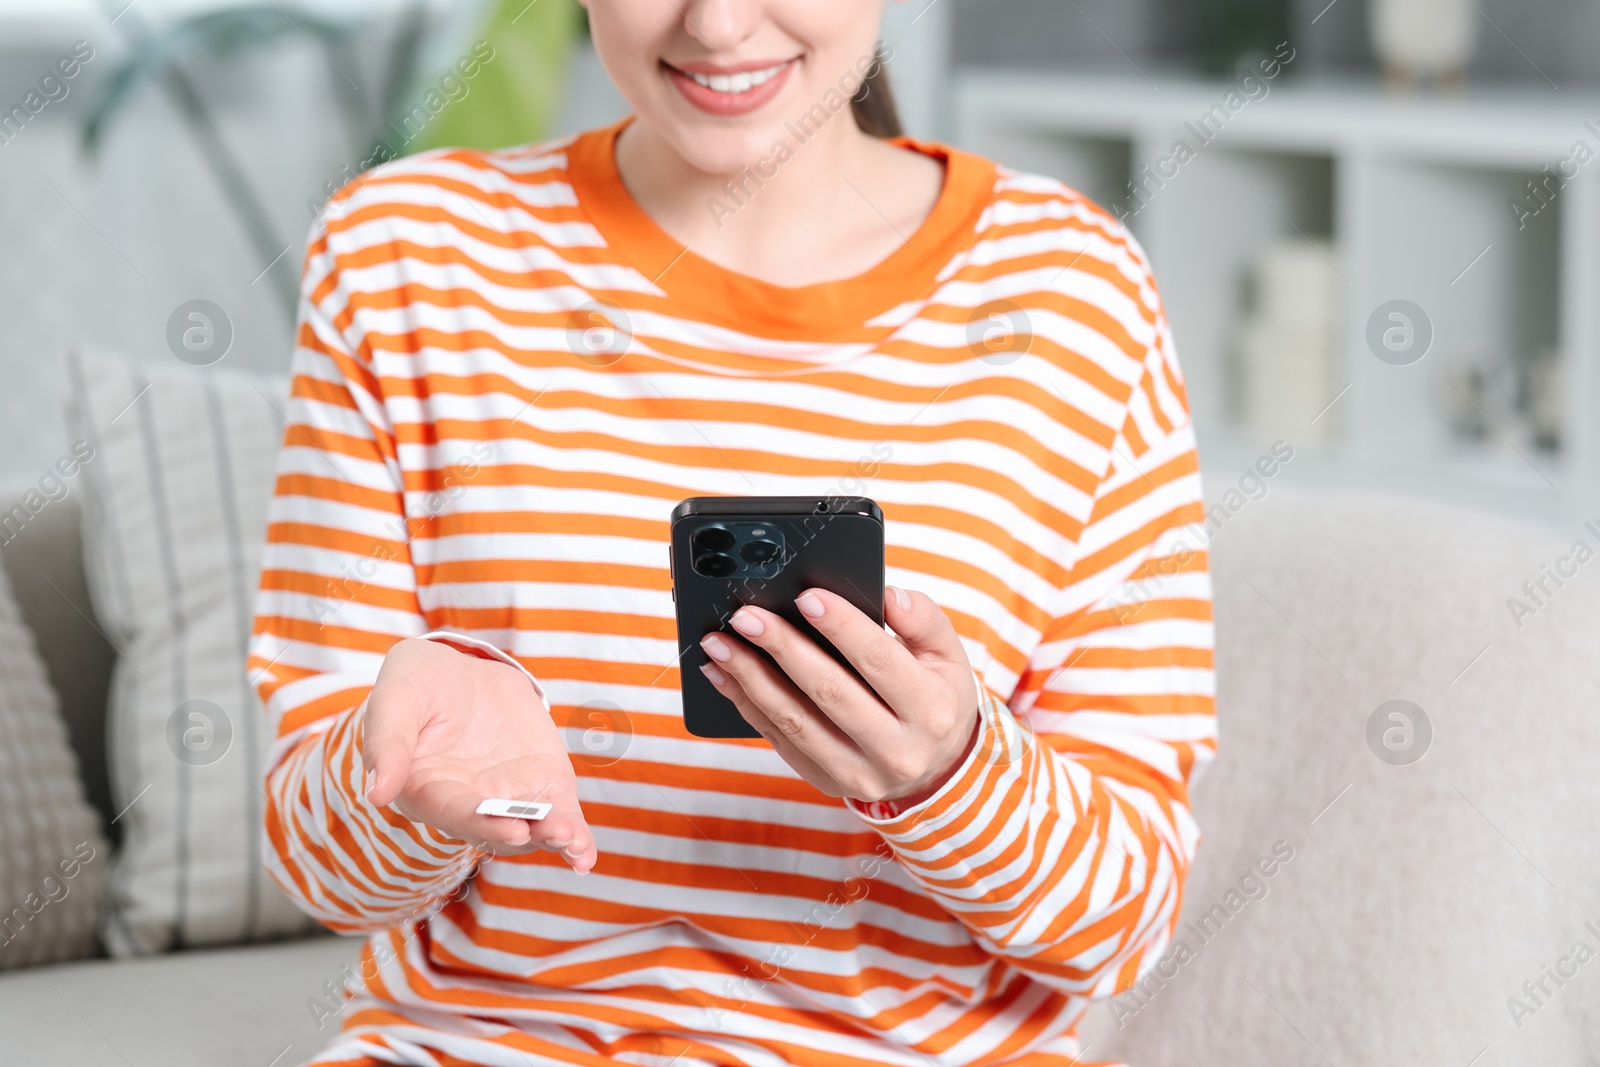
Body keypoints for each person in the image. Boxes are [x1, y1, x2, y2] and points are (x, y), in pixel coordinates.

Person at [247, 1, 1217, 1064]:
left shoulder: (1075, 294)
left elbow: (1124, 923)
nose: (713, 24)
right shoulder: (402, 257)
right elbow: (322, 868)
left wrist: (953, 774)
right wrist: (407, 788)